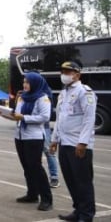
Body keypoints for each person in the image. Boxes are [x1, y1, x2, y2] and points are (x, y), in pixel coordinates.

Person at [50, 61, 96, 222]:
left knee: (83, 182)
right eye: (63, 71)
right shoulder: (64, 93)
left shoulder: (85, 92)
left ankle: (86, 215)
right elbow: (60, 118)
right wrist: (54, 139)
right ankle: (78, 210)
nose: (65, 74)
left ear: (77, 74)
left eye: (68, 72)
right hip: (65, 142)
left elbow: (89, 119)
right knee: (70, 179)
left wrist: (83, 143)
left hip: (78, 145)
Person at [3, 72, 53, 212]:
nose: (25, 85)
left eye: (28, 82)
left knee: (36, 167)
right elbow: (17, 116)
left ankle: (47, 199)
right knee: (27, 167)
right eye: (24, 82)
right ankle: (32, 194)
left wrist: (24, 118)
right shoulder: (22, 98)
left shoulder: (43, 98)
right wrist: (6, 115)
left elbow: (44, 117)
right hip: (20, 136)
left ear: (35, 83)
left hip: (34, 137)